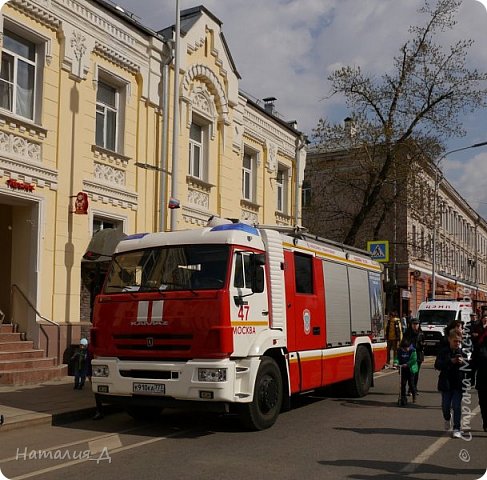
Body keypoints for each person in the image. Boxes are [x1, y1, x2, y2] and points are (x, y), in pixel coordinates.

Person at [434, 330, 466, 438]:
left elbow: (470, 367)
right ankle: (447, 418)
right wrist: (450, 361)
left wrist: (464, 363)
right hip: (446, 383)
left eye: (459, 341)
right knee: (445, 406)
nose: (457, 343)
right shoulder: (444, 351)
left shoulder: (463, 351)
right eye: (455, 341)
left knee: (456, 406)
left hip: (458, 383)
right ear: (449, 340)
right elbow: (437, 365)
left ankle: (457, 428)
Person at [394, 337, 418, 405]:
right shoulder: (399, 351)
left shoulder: (413, 351)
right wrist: (396, 362)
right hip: (403, 370)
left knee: (411, 384)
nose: (404, 350)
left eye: (406, 348)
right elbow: (397, 358)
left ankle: (414, 395)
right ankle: (403, 397)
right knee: (402, 384)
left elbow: (414, 360)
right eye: (403, 348)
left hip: (410, 369)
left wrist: (407, 364)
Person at [404, 318, 425, 394]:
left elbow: (424, 342)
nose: (415, 326)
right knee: (410, 373)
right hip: (410, 355)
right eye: (414, 324)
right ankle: (411, 388)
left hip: (418, 355)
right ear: (411, 325)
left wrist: (422, 344)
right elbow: (404, 343)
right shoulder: (407, 333)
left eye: (417, 324)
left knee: (416, 372)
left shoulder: (421, 333)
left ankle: (414, 388)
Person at [472, 327, 487, 432]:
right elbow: (473, 364)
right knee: (483, 403)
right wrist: (470, 378)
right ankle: (485, 422)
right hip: (482, 381)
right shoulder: (479, 347)